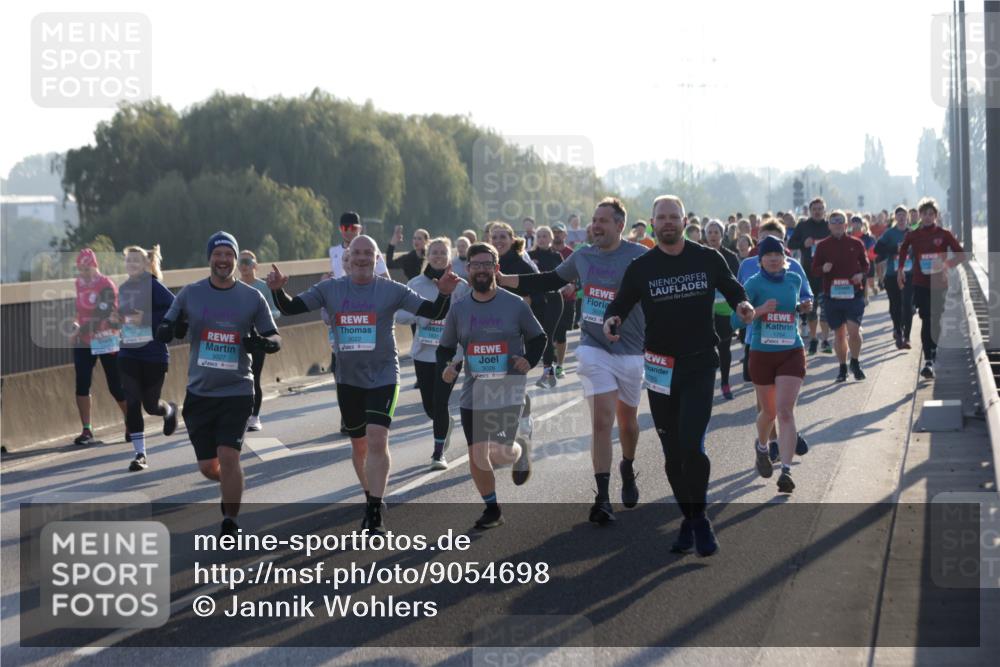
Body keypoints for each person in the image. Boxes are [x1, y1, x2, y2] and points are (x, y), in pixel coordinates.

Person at [268, 235, 460, 533]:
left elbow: (433, 312)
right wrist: (278, 291)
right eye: (356, 252)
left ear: (376, 258)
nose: (361, 258)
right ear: (348, 258)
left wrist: (444, 294)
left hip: (384, 375)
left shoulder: (392, 290)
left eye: (368, 253)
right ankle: (371, 496)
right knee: (359, 445)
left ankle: (374, 510)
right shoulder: (330, 289)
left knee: (377, 439)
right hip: (348, 378)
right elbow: (292, 307)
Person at [604, 195, 754, 556]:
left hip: (699, 363)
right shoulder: (642, 267)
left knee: (691, 444)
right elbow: (621, 303)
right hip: (660, 367)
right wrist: (612, 319)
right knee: (672, 453)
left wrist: (742, 304)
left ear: (685, 222)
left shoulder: (707, 258)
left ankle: (699, 520)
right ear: (653, 223)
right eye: (662, 217)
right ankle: (689, 518)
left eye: (674, 217)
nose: (668, 222)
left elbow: (732, 287)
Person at [500, 197, 648, 524]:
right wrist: (507, 280)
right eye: (594, 220)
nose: (596, 226)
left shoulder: (639, 256)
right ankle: (602, 497)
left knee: (627, 424)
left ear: (620, 225)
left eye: (603, 221)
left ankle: (627, 464)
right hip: (594, 348)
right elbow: (550, 280)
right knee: (601, 421)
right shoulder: (583, 256)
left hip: (630, 351)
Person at [157, 232, 281, 537]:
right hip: (200, 392)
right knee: (208, 467)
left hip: (237, 390)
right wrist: (167, 328)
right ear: (210, 258)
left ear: (236, 260)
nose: (223, 260)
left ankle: (230, 521)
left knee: (228, 455)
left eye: (229, 255)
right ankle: (232, 481)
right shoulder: (191, 293)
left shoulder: (252, 297)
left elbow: (274, 335)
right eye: (218, 254)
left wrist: (266, 343)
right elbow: (168, 323)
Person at [438, 242, 546, 529]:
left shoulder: (515, 304)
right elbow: (445, 348)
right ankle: (492, 509)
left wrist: (529, 360)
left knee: (500, 453)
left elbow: (538, 338)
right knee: (477, 453)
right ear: (468, 270)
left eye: (487, 264)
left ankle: (519, 450)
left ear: (496, 269)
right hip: (473, 392)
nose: (482, 270)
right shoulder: (459, 309)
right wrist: (446, 366)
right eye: (476, 265)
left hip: (508, 388)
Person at [735, 236, 811, 493]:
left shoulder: (794, 279)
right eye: (768, 255)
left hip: (791, 351)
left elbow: (803, 300)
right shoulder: (753, 283)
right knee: (769, 413)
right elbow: (738, 320)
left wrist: (804, 306)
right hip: (762, 354)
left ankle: (786, 471)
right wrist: (759, 310)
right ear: (760, 260)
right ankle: (762, 446)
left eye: (777, 254)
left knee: (785, 411)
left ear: (784, 257)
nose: (773, 259)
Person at [395, 237, 470, 470]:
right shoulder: (415, 284)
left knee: (440, 402)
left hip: (450, 353)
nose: (438, 256)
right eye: (434, 252)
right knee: (430, 406)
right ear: (427, 255)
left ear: (450, 256)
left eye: (442, 252)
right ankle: (444, 424)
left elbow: (469, 317)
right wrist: (423, 315)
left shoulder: (461, 286)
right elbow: (399, 315)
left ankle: (438, 454)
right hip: (423, 353)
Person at [116, 244, 177, 470]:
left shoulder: (153, 286)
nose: (131, 264)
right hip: (128, 352)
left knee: (150, 406)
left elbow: (175, 308)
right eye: (128, 260)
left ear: (144, 264)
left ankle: (168, 410)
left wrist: (147, 318)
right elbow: (124, 315)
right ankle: (140, 454)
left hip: (154, 354)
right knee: (132, 402)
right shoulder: (123, 289)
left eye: (136, 260)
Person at [897, 197, 965, 379]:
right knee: (926, 318)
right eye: (924, 214)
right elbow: (903, 249)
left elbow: (961, 254)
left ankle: (933, 351)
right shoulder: (913, 234)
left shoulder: (944, 234)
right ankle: (928, 360)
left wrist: (946, 264)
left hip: (940, 283)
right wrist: (901, 269)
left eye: (931, 214)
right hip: (920, 282)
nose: (927, 217)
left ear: (936, 216)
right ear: (919, 215)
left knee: (936, 320)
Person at [69, 248, 128, 446]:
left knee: (115, 386)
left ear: (95, 266)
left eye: (87, 269)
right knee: (82, 383)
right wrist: (75, 325)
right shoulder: (78, 284)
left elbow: (102, 314)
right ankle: (87, 429)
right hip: (84, 341)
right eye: (81, 269)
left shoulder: (106, 285)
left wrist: (80, 329)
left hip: (105, 338)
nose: (84, 273)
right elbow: (79, 311)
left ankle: (131, 421)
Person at [811, 210, 870, 382]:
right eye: (834, 221)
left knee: (854, 331)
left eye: (840, 221)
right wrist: (823, 269)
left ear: (846, 224)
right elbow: (814, 270)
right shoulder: (822, 246)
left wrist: (860, 275)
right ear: (829, 225)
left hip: (853, 294)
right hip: (832, 296)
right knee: (839, 334)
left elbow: (866, 265)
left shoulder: (856, 243)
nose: (837, 224)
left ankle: (855, 362)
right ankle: (842, 368)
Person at [238, 250, 281, 431]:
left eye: (247, 262)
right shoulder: (233, 287)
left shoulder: (263, 287)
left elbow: (276, 310)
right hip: (238, 339)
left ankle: (254, 417)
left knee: (254, 377)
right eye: (241, 262)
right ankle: (239, 414)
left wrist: (263, 317)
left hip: (258, 338)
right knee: (237, 378)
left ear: (255, 266)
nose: (244, 266)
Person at [788, 197, 832, 355]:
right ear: (810, 211)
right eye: (814, 209)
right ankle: (813, 339)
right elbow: (790, 244)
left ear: (824, 211)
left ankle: (825, 339)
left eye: (820, 209)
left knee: (826, 310)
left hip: (827, 274)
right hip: (809, 273)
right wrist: (803, 244)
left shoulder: (830, 225)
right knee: (812, 310)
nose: (817, 212)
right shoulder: (803, 226)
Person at [704, 220, 740, 400]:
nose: (713, 235)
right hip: (704, 311)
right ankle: (706, 386)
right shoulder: (699, 255)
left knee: (724, 348)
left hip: (724, 310)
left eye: (716, 232)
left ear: (722, 234)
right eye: (709, 232)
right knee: (706, 350)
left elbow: (736, 282)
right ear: (705, 235)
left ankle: (725, 383)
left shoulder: (731, 257)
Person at [527, 226, 566, 388]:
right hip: (536, 299)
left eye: (545, 236)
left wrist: (567, 286)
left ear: (550, 239)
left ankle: (548, 372)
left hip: (554, 298)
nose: (542, 239)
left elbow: (565, 276)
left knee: (548, 334)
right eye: (540, 236)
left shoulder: (556, 256)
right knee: (541, 334)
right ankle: (548, 370)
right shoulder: (530, 256)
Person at [875, 206, 916, 349]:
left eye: (904, 215)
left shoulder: (913, 233)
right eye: (899, 215)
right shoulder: (889, 233)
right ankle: (898, 330)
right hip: (892, 275)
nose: (902, 217)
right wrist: (894, 249)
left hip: (909, 274)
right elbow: (877, 249)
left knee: (908, 305)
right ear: (895, 217)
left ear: (907, 217)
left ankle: (907, 337)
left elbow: (921, 250)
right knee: (895, 305)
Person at [550, 222, 577, 378]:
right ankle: (550, 364)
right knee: (549, 334)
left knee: (561, 334)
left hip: (567, 300)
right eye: (554, 232)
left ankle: (559, 366)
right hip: (549, 300)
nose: (556, 235)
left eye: (559, 232)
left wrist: (573, 285)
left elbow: (580, 274)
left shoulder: (572, 253)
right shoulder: (547, 252)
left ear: (565, 235)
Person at [329, 211, 389, 278]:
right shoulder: (333, 251)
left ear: (360, 229)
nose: (349, 231)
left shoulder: (370, 249)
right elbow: (337, 274)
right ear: (340, 229)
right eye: (345, 228)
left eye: (353, 228)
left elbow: (385, 277)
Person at [850, 216, 878, 300]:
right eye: (854, 223)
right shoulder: (848, 237)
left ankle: (870, 291)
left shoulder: (868, 238)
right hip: (853, 264)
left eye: (858, 223)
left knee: (869, 281)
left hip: (866, 262)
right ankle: (863, 297)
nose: (856, 225)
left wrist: (865, 254)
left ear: (861, 225)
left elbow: (874, 254)